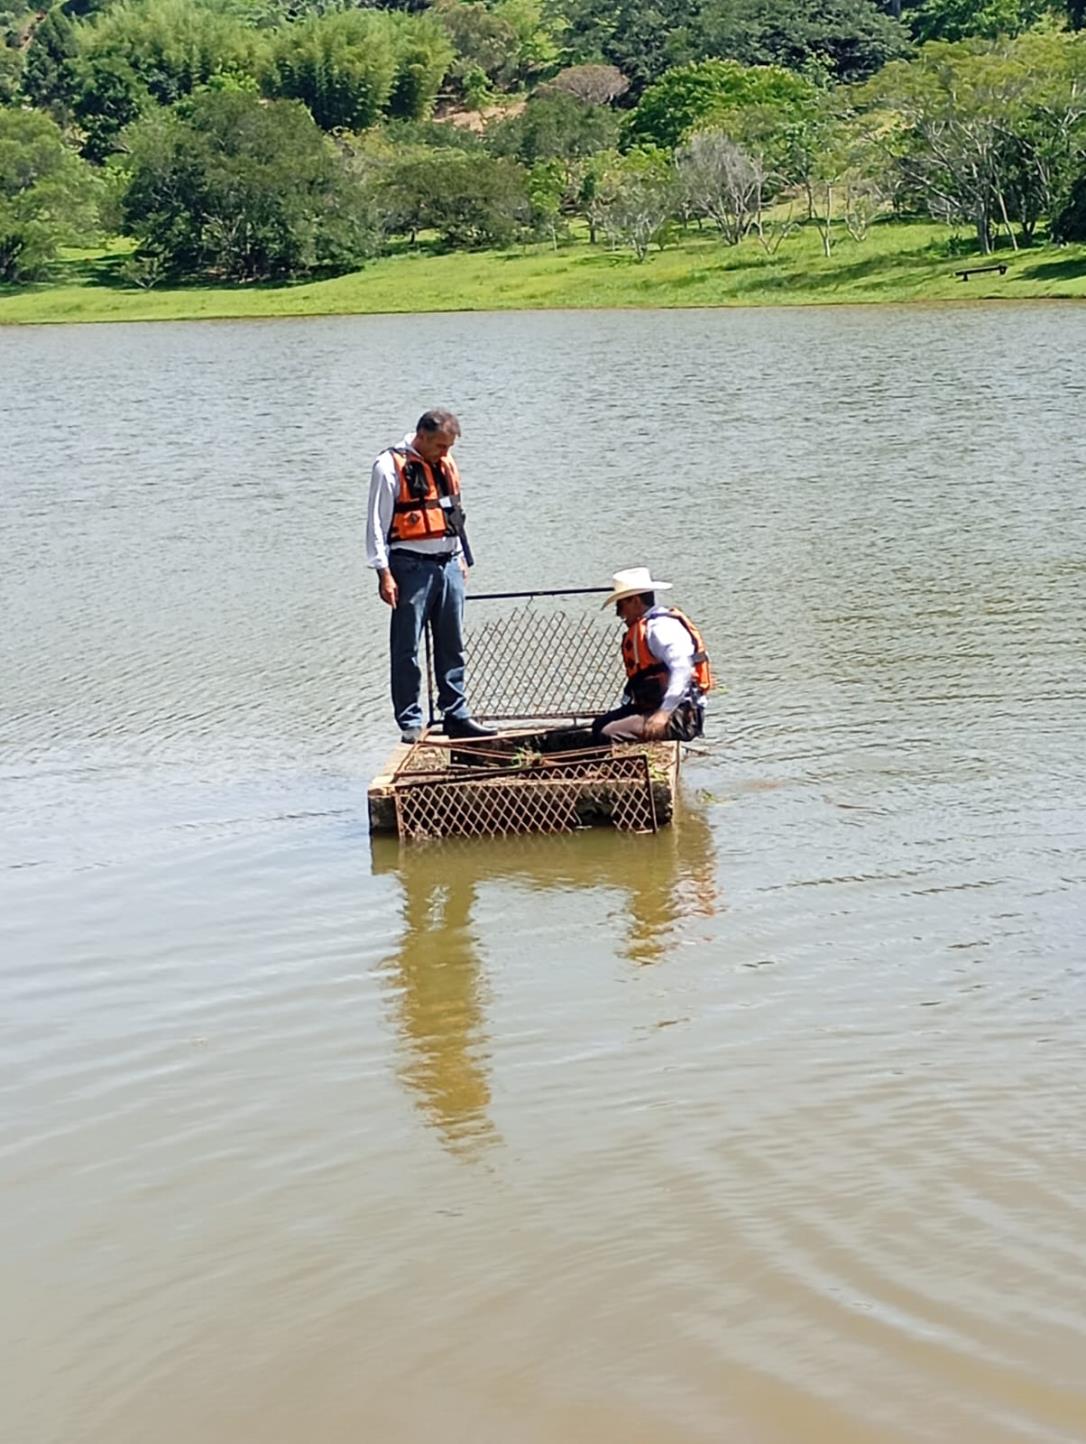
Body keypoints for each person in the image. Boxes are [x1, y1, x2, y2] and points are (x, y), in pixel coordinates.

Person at [366, 409, 494, 743]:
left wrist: (461, 554)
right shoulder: (388, 466)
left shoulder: (446, 464)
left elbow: (453, 511)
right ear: (421, 436)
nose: (445, 453)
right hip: (410, 566)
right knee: (406, 646)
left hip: (449, 562)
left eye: (449, 446)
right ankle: (411, 720)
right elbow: (377, 526)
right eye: (440, 446)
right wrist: (384, 573)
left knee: (452, 642)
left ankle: (456, 714)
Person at [591, 567, 712, 744]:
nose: (619, 613)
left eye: (620, 605)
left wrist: (663, 713)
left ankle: (627, 770)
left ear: (635, 600)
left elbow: (683, 669)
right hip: (654, 707)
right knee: (599, 725)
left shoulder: (660, 628)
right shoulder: (647, 625)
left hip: (682, 714)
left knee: (609, 733)